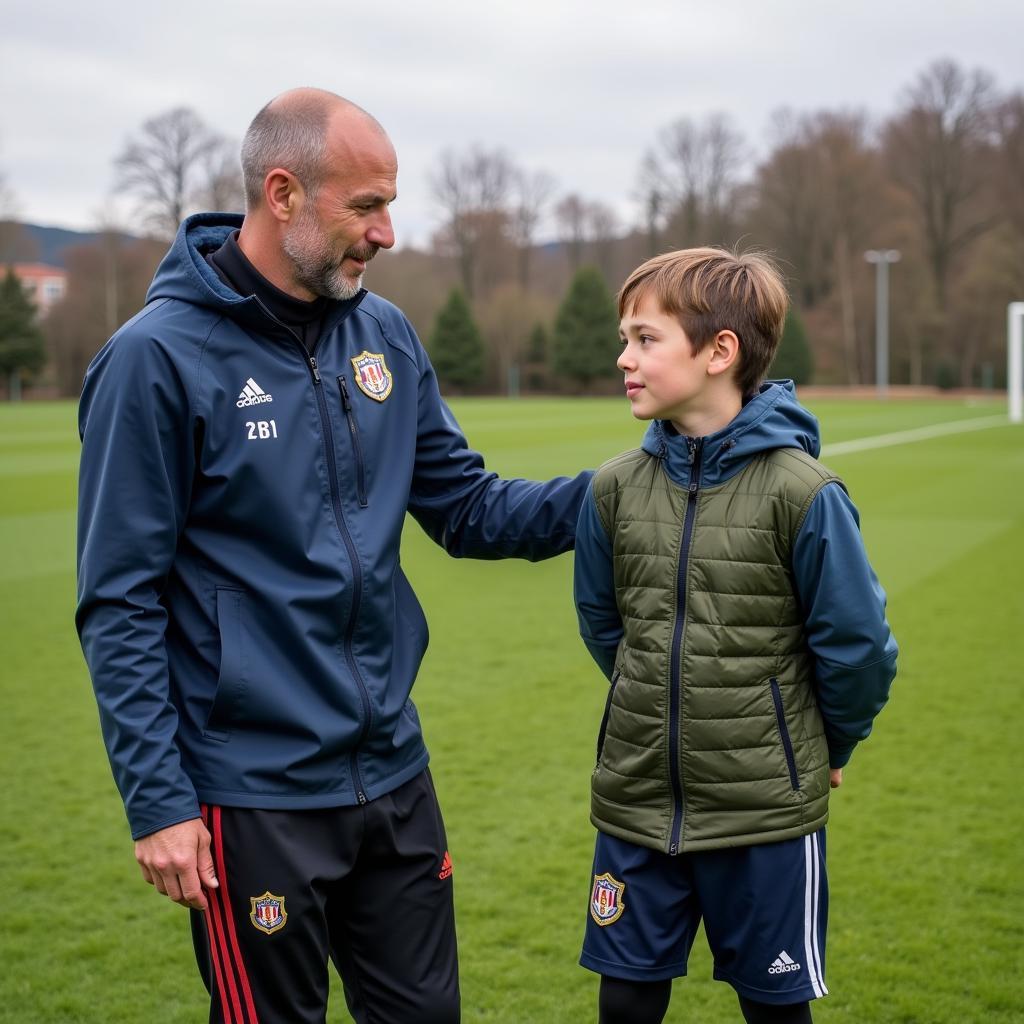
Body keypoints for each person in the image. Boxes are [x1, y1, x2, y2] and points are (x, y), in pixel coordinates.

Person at [76, 88, 591, 1024]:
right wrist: (158, 803)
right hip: (253, 795)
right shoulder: (154, 360)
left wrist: (623, 497)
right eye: (366, 207)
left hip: (392, 771)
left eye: (390, 204)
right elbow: (120, 601)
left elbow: (467, 508)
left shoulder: (383, 334)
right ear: (282, 193)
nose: (388, 232)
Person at [572, 248, 897, 1024]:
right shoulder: (613, 488)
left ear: (720, 352)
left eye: (646, 339)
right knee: (623, 1003)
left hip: (764, 815)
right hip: (638, 804)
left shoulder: (805, 493)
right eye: (625, 338)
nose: (625, 357)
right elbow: (604, 623)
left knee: (774, 1009)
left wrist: (825, 746)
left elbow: (858, 649)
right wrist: (655, 703)